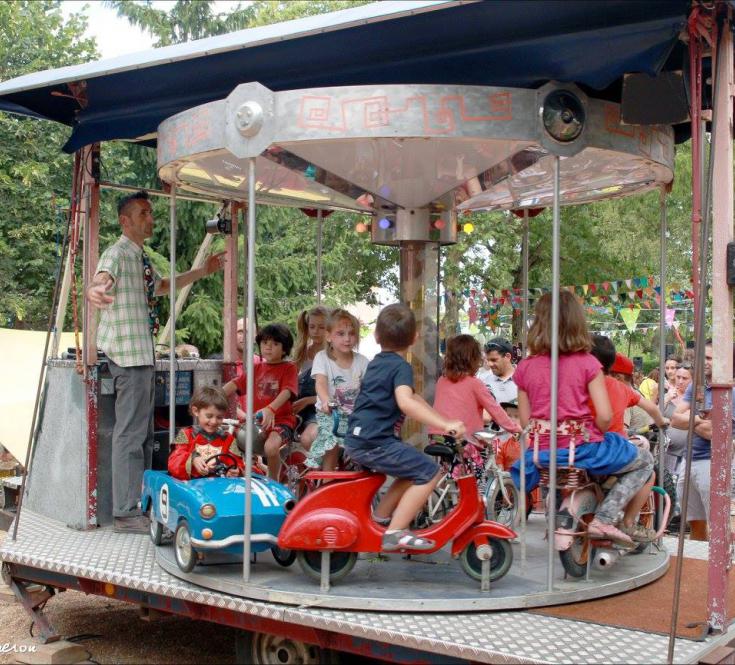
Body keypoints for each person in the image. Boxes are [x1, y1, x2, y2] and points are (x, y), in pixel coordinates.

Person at [86, 190, 225, 533]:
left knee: (144, 436)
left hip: (141, 357)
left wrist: (200, 272)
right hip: (128, 358)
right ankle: (124, 511)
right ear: (125, 220)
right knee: (130, 436)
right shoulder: (117, 253)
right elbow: (102, 278)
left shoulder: (141, 257)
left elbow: (161, 286)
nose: (151, 218)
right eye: (144, 213)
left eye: (150, 212)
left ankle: (140, 503)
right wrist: (96, 289)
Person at [510, 291, 655, 546]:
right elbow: (604, 415)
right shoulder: (588, 363)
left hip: (540, 452)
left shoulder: (524, 367)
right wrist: (595, 435)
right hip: (581, 449)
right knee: (644, 460)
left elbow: (525, 422)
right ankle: (606, 518)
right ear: (578, 322)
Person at [343, 303, 465, 551]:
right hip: (375, 442)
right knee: (429, 471)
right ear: (414, 338)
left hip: (360, 439)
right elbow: (406, 402)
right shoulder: (401, 367)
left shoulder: (377, 363)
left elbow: (413, 398)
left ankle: (379, 520)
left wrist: (442, 421)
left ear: (376, 336)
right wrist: (445, 424)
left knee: (411, 471)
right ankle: (396, 531)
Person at [430, 335, 521, 481]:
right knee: (477, 475)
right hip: (459, 439)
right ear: (473, 359)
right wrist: (515, 428)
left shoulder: (442, 380)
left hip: (436, 437)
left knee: (453, 473)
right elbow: (495, 410)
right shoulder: (475, 383)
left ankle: (447, 498)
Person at [671, 341, 735, 541]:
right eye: (702, 357)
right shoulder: (696, 386)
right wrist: (700, 418)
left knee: (718, 525)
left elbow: (714, 433)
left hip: (712, 462)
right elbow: (674, 419)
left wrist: (689, 418)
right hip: (688, 461)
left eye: (708, 358)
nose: (703, 362)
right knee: (695, 524)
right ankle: (700, 568)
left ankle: (722, 568)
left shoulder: (729, 391)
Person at [223, 323, 298, 480]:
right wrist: (213, 396)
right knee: (230, 440)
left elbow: (287, 391)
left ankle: (273, 479)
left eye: (275, 344)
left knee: (271, 448)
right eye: (265, 343)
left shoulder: (289, 368)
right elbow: (235, 384)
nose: (269, 347)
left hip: (281, 421)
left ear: (284, 349)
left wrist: (271, 409)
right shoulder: (256, 368)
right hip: (257, 422)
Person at [305, 309, 369, 470]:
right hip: (330, 415)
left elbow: (369, 389)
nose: (347, 339)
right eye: (340, 334)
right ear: (329, 336)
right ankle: (327, 480)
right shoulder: (322, 358)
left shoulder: (362, 362)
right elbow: (320, 383)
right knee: (331, 443)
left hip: (355, 417)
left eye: (352, 334)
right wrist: (326, 400)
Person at [168, 386, 244, 480]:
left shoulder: (229, 439)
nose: (213, 421)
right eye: (209, 416)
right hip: (192, 488)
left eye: (219, 417)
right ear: (196, 411)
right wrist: (193, 459)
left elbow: (238, 463)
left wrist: (236, 470)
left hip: (219, 488)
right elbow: (173, 462)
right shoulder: (185, 434)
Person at [291, 306, 329, 450]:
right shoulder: (303, 352)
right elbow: (291, 380)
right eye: (312, 326)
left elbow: (337, 392)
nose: (315, 331)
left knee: (308, 439)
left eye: (321, 327)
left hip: (321, 408)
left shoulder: (333, 354)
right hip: (300, 405)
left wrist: (308, 401)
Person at [662, 362, 692, 476]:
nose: (680, 381)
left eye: (685, 378)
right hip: (668, 452)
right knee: (669, 488)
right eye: (678, 377)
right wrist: (666, 399)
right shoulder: (667, 394)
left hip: (689, 454)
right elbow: (652, 419)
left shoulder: (698, 398)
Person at [477, 337, 518, 404]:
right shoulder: (482, 380)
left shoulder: (525, 379)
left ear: (507, 357)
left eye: (494, 360)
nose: (489, 364)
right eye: (488, 360)